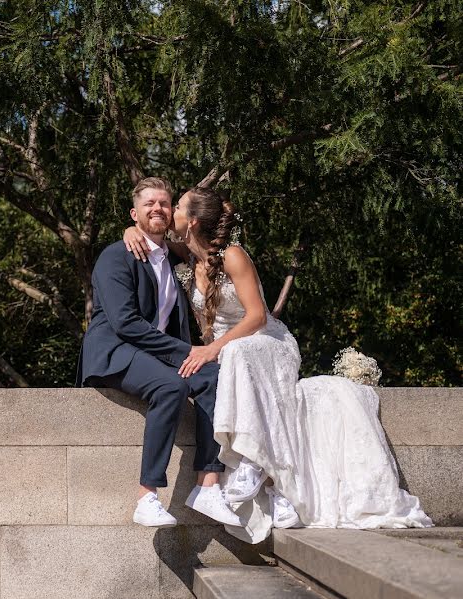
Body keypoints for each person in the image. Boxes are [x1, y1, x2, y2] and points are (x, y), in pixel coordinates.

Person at [122, 186, 432, 542]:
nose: (169, 209)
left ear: (191, 221)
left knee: (234, 355)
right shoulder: (188, 257)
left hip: (268, 343)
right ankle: (263, 485)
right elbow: (151, 232)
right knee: (224, 365)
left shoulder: (234, 255)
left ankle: (256, 466)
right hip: (228, 350)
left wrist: (213, 350)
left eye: (176, 206)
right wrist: (130, 230)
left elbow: (256, 317)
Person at [78, 177, 241, 528]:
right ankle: (147, 496)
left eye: (165, 204)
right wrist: (188, 350)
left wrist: (196, 355)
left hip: (153, 353)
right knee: (171, 387)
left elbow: (207, 244)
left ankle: (207, 484)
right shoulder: (116, 256)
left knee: (216, 375)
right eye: (149, 203)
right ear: (134, 213)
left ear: (172, 214)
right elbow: (125, 324)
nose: (158, 208)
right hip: (115, 351)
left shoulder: (172, 255)